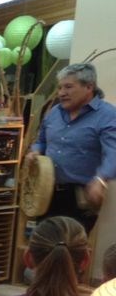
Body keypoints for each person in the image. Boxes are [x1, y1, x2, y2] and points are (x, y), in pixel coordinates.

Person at [26, 63, 116, 233]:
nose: (61, 93)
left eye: (68, 87)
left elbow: (114, 153)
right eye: (60, 87)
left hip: (79, 198)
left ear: (89, 87)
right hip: (46, 192)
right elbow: (42, 141)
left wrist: (101, 179)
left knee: (68, 251)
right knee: (43, 247)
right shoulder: (54, 113)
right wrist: (35, 151)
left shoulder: (107, 116)